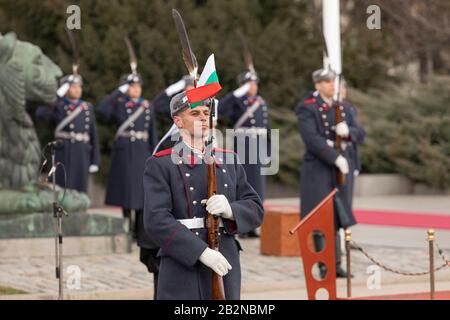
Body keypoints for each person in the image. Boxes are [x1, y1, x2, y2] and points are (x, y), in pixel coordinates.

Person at [143, 79, 264, 299]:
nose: (202, 118)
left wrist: (231, 210)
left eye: (206, 112)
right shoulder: (161, 163)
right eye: (195, 113)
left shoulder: (229, 159)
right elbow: (156, 220)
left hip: (224, 258)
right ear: (178, 121)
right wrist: (200, 252)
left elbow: (256, 208)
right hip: (182, 263)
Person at [97, 73, 160, 297]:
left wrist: (155, 153)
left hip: (142, 150)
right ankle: (126, 226)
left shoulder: (146, 105)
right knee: (125, 193)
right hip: (124, 150)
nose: (136, 90)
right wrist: (119, 91)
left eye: (137, 86)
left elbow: (152, 131)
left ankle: (139, 232)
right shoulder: (119, 103)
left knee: (143, 193)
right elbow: (102, 110)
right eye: (132, 87)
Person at [295, 68, 362, 278]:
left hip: (339, 171)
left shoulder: (342, 107)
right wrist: (336, 157)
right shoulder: (308, 108)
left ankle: (337, 264)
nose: (332, 85)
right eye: (326, 81)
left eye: (333, 81)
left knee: (338, 217)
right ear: (317, 85)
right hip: (319, 168)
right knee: (320, 218)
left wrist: (348, 132)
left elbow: (361, 133)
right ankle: (325, 265)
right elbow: (312, 139)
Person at [218, 71, 270, 238]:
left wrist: (269, 151)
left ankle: (254, 223)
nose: (253, 87)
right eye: (249, 84)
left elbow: (266, 128)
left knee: (258, 188)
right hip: (243, 146)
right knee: (243, 185)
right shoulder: (237, 101)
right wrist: (236, 93)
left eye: (255, 84)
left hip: (259, 146)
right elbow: (220, 110)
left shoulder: (261, 102)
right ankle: (242, 224)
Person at [35, 74, 100, 193]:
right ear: (65, 89)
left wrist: (95, 160)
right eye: (73, 87)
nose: (77, 89)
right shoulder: (59, 105)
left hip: (82, 152)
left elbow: (93, 135)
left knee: (80, 190)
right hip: (63, 151)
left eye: (79, 86)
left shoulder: (86, 107)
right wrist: (57, 95)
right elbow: (40, 113)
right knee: (62, 188)